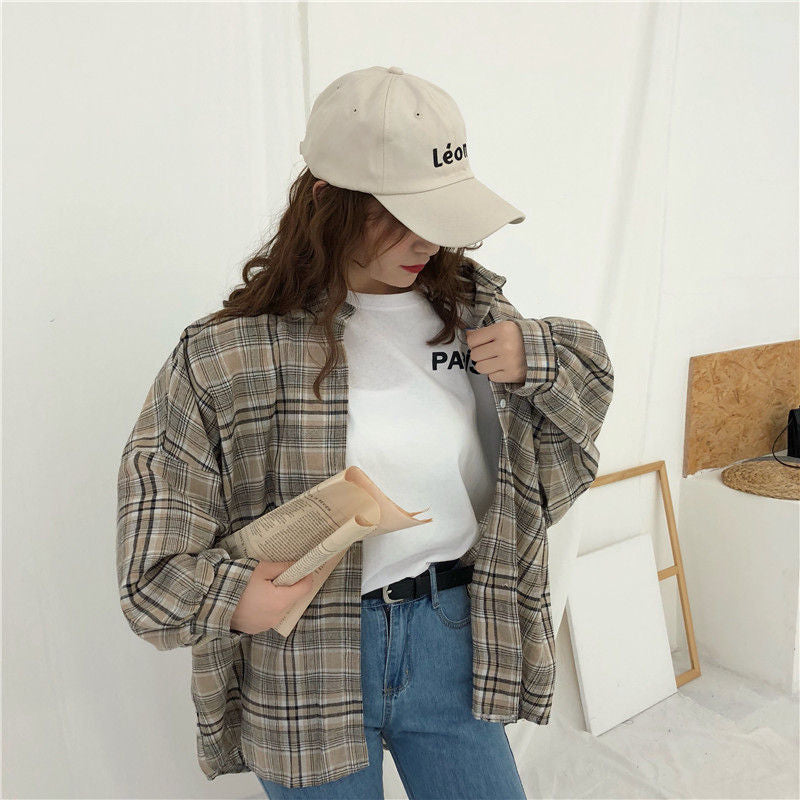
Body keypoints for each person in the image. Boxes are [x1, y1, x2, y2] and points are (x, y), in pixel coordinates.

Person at [116, 65, 614, 798]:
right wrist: (231, 597)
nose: (426, 240)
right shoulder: (226, 355)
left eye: (437, 214)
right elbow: (149, 570)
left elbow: (565, 451)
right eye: (398, 215)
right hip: (305, 654)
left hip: (452, 634)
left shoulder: (475, 315)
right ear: (328, 201)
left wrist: (534, 358)